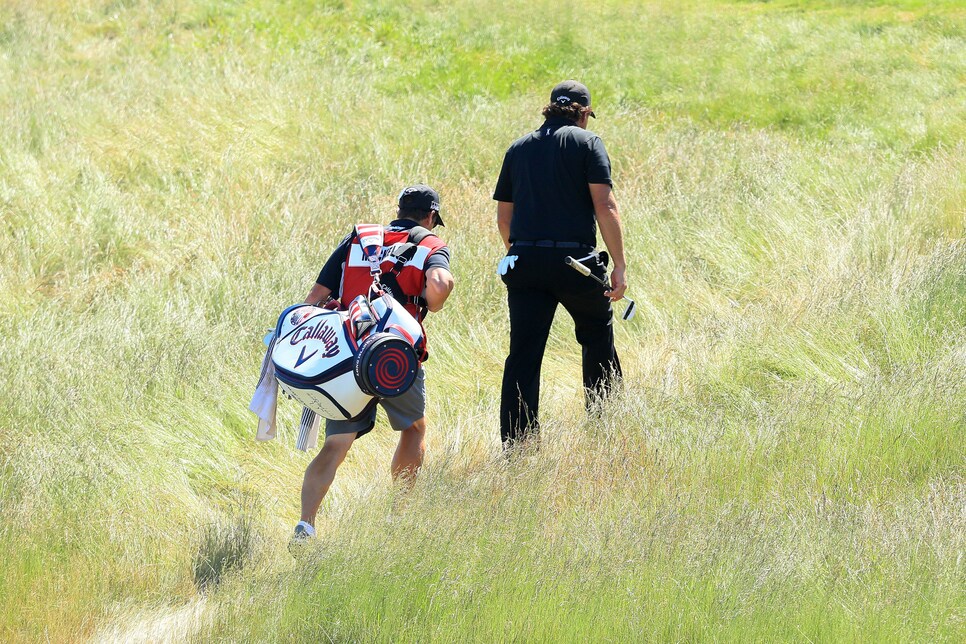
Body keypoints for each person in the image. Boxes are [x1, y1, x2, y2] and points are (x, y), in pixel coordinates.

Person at [292, 185, 455, 543]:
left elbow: (315, 299)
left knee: (336, 445)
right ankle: (399, 517)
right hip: (395, 359)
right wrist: (434, 295)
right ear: (430, 217)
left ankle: (305, 524)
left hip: (348, 358)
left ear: (398, 210)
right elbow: (439, 288)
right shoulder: (430, 245)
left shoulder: (359, 239)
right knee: (413, 431)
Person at [493, 80, 627, 447]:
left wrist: (520, 251)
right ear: (583, 113)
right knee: (597, 332)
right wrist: (619, 265)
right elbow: (606, 205)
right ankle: (606, 427)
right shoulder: (588, 143)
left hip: (524, 261)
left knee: (523, 353)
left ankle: (519, 448)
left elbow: (504, 217)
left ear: (550, 108)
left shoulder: (518, 149)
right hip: (576, 262)